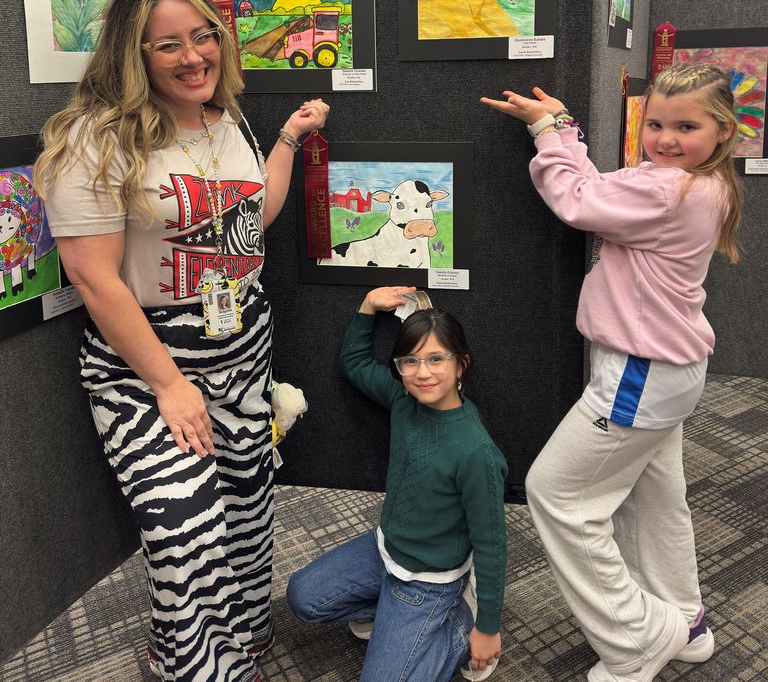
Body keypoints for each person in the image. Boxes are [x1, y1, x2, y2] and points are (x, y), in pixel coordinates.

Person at [36, 0, 329, 682]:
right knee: (182, 530)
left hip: (241, 347)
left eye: (203, 36)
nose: (193, 56)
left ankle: (242, 639)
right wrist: (168, 384)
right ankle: (192, 664)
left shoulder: (226, 120)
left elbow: (248, 224)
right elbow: (95, 278)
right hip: (149, 364)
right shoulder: (92, 139)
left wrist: (286, 141)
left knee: (245, 506)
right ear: (131, 55)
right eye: (167, 44)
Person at [481, 63, 742, 682]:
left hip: (639, 374)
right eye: (655, 124)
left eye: (686, 126)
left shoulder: (670, 189)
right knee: (654, 501)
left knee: (558, 494)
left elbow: (580, 199)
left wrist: (550, 133)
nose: (666, 138)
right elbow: (607, 187)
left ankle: (635, 640)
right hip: (667, 368)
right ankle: (686, 621)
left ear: (723, 132)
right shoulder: (692, 183)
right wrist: (563, 126)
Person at [285, 286, 508, 682]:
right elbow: (352, 363)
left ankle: (459, 622)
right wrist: (368, 306)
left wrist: (487, 629)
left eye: (437, 359)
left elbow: (492, 545)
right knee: (302, 598)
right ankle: (389, 614)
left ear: (461, 365)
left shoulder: (477, 453)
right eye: (410, 361)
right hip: (383, 550)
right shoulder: (403, 400)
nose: (422, 373)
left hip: (427, 583)